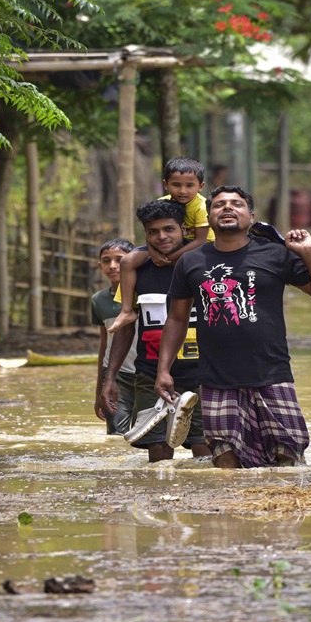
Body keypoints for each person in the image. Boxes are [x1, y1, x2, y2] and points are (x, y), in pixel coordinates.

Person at [154, 186, 311, 468]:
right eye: (219, 205)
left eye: (236, 204)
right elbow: (177, 318)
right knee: (225, 458)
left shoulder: (275, 254)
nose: (227, 208)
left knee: (288, 454)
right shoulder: (191, 261)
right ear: (209, 217)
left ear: (250, 216)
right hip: (216, 378)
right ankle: (230, 512)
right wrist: (163, 370)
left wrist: (308, 253)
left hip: (271, 372)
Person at [102, 200, 212, 463]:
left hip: (203, 374)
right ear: (145, 234)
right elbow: (127, 326)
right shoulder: (137, 271)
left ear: (183, 229)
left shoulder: (204, 265)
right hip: (150, 373)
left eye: (169, 229)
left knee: (205, 451)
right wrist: (111, 378)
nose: (162, 237)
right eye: (153, 232)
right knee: (158, 453)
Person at [108, 157, 216, 333]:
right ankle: (127, 310)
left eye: (189, 186)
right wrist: (152, 252)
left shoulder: (201, 207)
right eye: (176, 185)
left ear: (201, 186)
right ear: (166, 184)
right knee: (128, 261)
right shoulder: (163, 202)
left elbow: (200, 240)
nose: (182, 191)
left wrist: (169, 257)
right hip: (167, 247)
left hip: (200, 247)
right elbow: (151, 231)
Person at [91, 238, 136, 434]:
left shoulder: (146, 293)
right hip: (115, 375)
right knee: (117, 434)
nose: (113, 266)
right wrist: (98, 392)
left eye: (119, 260)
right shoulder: (98, 300)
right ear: (100, 265)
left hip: (147, 373)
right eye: (106, 260)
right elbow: (104, 346)